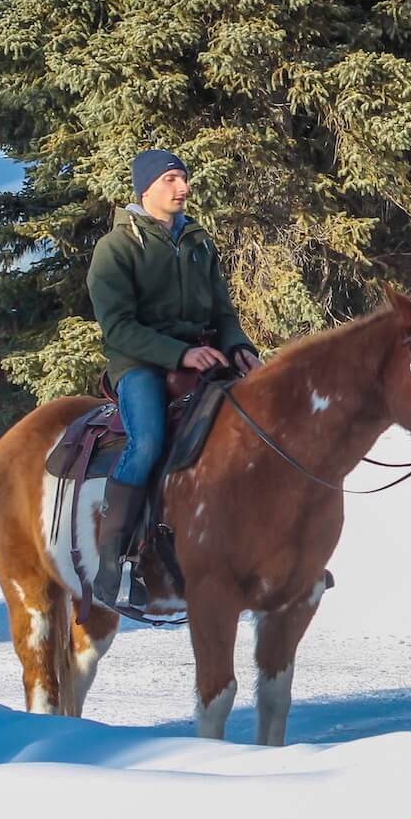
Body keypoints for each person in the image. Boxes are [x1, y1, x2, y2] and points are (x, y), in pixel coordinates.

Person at [86, 149, 260, 607]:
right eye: (170, 179)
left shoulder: (199, 241)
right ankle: (114, 562)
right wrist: (180, 354)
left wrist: (239, 346)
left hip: (204, 355)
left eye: (183, 178)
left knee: (262, 425)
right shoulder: (116, 247)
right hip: (139, 362)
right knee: (146, 443)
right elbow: (118, 327)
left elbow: (224, 313)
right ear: (146, 187)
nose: (182, 188)